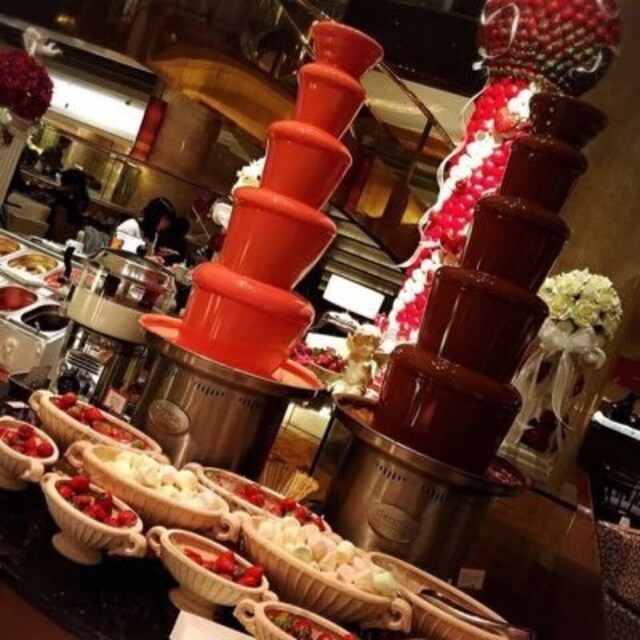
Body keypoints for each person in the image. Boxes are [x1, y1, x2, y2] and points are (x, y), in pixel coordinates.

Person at [46, 169, 90, 243]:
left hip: (59, 237)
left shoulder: (64, 201)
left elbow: (58, 230)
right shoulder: (81, 199)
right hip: (71, 237)